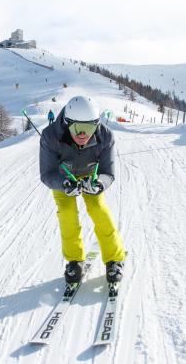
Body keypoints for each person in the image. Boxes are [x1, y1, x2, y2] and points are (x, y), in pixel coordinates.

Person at [39, 96, 126, 284]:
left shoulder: (105, 136)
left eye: (89, 128)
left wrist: (99, 184)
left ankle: (114, 259)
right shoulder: (50, 136)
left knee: (98, 209)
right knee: (67, 213)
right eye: (78, 128)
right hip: (63, 178)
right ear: (66, 122)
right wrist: (64, 184)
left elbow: (108, 172)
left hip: (90, 176)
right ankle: (74, 262)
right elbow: (47, 173)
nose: (83, 135)